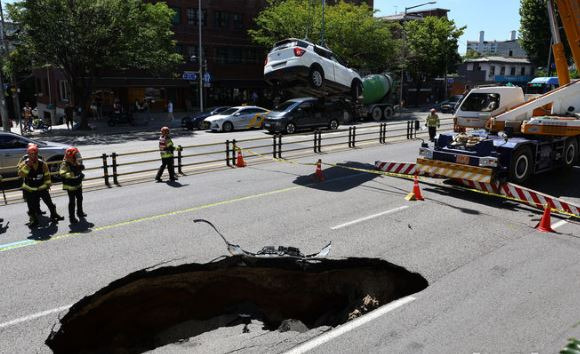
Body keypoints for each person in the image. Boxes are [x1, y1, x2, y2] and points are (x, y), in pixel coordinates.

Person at [17, 144, 64, 227]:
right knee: (31, 207)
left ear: (37, 154)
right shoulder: (24, 163)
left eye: (35, 154)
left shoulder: (42, 163)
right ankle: (34, 220)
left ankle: (54, 215)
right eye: (31, 154)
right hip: (30, 189)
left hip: (42, 187)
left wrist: (48, 184)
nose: (33, 156)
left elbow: (47, 175)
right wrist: (28, 166)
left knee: (50, 203)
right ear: (28, 154)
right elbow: (21, 174)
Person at [59, 147, 86, 224]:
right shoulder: (65, 163)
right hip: (70, 186)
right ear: (71, 156)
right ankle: (72, 218)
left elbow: (79, 168)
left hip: (78, 183)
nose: (77, 156)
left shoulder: (76, 161)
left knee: (80, 198)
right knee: (72, 202)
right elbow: (62, 173)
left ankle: (80, 212)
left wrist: (80, 172)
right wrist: (73, 173)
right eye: (75, 155)